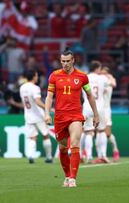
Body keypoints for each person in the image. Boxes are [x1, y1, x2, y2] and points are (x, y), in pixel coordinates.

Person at [45, 48, 99, 188]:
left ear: (73, 60)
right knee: (63, 148)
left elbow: (90, 95)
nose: (65, 64)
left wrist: (96, 114)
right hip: (60, 116)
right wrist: (46, 114)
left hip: (75, 115)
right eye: (63, 61)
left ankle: (73, 179)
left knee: (74, 144)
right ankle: (67, 176)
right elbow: (49, 96)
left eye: (68, 61)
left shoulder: (82, 76)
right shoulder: (54, 76)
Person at [19, 69, 53, 164]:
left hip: (28, 115)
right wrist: (48, 108)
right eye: (36, 75)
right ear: (34, 76)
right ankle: (49, 157)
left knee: (32, 137)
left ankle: (30, 155)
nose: (37, 77)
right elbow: (37, 101)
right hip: (38, 115)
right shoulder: (35, 88)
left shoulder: (22, 87)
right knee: (45, 135)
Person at [81, 61, 111, 164]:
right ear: (97, 68)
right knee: (101, 131)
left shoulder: (84, 77)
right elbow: (111, 84)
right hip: (100, 108)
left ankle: (88, 156)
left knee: (88, 132)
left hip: (87, 107)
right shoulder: (102, 78)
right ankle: (102, 155)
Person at [101, 66, 120, 162]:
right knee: (94, 133)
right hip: (97, 110)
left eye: (104, 73)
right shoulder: (99, 81)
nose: (102, 75)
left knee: (107, 134)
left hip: (106, 110)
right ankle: (100, 155)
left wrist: (110, 77)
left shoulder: (109, 82)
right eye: (101, 73)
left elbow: (114, 84)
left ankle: (115, 150)